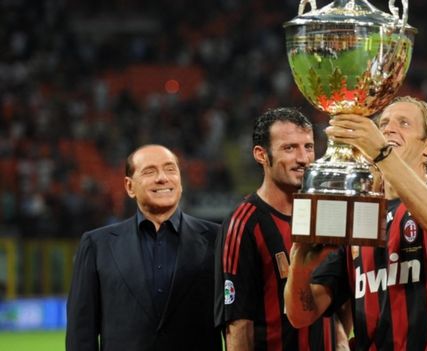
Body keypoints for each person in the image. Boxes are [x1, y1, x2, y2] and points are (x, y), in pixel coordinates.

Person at [285, 96, 427, 350]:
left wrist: (381, 152)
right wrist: (299, 261)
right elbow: (301, 315)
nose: (388, 129)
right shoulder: (359, 214)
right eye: (384, 123)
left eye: (404, 123)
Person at [66, 144, 222, 351]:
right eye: (149, 171)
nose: (162, 178)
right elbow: (81, 330)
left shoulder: (218, 238)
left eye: (170, 169)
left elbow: (236, 319)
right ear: (129, 187)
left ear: (181, 182)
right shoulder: (96, 244)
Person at [213, 107, 340, 350]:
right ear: (261, 154)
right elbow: (238, 326)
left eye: (308, 147)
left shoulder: (325, 215)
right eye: (289, 148)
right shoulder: (244, 223)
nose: (303, 158)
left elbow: (338, 306)